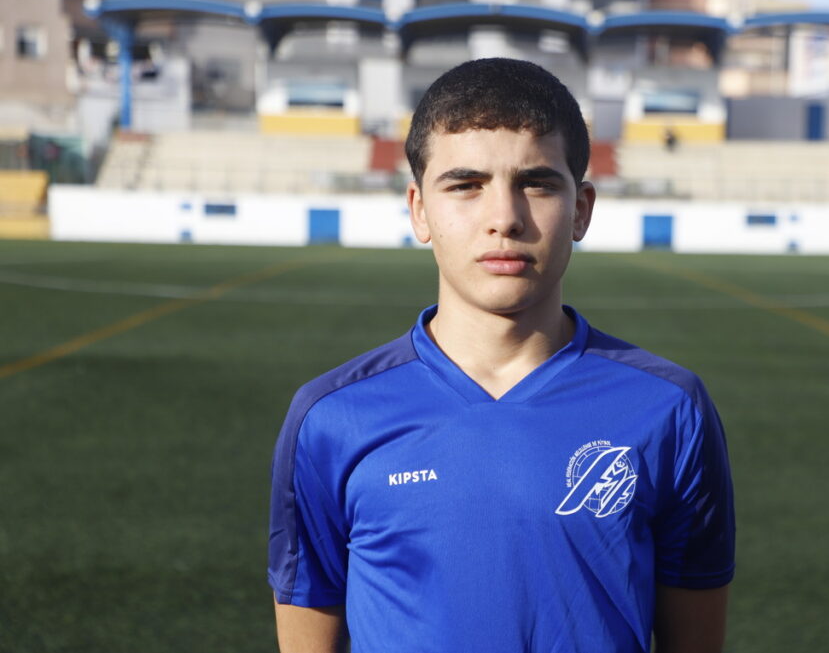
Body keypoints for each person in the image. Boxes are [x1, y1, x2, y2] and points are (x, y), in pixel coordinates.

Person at [268, 58, 735, 653]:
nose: (504, 219)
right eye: (465, 185)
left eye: (537, 183)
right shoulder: (331, 418)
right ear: (419, 210)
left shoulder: (671, 409)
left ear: (582, 209)